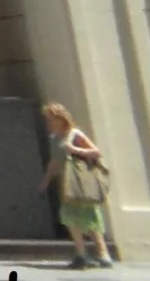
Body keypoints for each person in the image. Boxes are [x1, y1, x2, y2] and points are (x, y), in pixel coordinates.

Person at [38, 101, 112, 268]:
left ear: (60, 118)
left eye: (51, 119)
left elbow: (96, 152)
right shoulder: (55, 139)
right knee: (70, 217)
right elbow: (54, 162)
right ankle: (81, 253)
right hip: (66, 182)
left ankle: (103, 253)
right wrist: (46, 181)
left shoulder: (74, 134)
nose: (48, 123)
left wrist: (75, 150)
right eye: (47, 120)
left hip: (80, 181)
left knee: (90, 216)